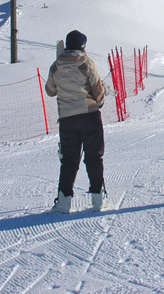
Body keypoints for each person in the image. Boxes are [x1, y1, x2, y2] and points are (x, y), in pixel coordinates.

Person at [45, 30, 107, 213]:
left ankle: (63, 201)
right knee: (94, 157)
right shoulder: (87, 63)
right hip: (89, 116)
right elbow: (97, 89)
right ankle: (98, 199)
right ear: (83, 46)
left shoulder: (56, 65)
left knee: (69, 160)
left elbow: (50, 91)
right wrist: (100, 102)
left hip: (67, 118)